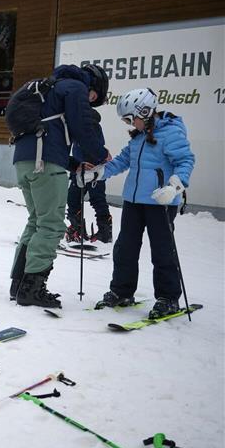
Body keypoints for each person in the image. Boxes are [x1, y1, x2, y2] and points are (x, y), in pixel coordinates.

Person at [83, 88, 195, 318]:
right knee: (125, 247)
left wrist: (174, 187)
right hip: (134, 201)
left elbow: (185, 161)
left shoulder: (171, 132)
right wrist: (98, 173)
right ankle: (122, 291)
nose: (129, 123)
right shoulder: (139, 137)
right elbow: (123, 161)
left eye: (129, 118)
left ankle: (168, 297)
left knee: (162, 250)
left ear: (144, 111)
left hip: (160, 201)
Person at [10, 63, 109, 309]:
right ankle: (32, 288)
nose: (91, 100)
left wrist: (74, 164)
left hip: (25, 160)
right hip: (44, 163)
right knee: (52, 225)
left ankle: (19, 284)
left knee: (36, 221)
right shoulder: (75, 87)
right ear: (93, 85)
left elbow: (52, 131)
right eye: (94, 96)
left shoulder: (49, 87)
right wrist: (99, 154)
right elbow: (81, 126)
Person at [66, 99, 112, 243]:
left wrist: (93, 164)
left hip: (92, 169)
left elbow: (94, 146)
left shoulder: (89, 125)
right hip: (81, 168)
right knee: (80, 199)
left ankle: (99, 231)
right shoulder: (86, 125)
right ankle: (82, 228)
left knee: (88, 200)